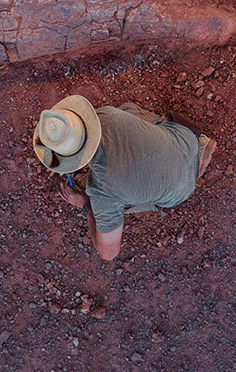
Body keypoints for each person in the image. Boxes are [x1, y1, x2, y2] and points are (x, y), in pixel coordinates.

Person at [32, 95, 216, 261]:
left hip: (181, 189)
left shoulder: (102, 194)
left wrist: (87, 207)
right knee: (127, 109)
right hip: (186, 138)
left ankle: (192, 167)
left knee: (91, 191)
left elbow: (109, 253)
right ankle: (201, 148)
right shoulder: (105, 114)